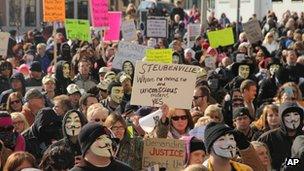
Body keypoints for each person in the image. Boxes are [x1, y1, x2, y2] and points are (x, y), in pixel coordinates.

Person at [258, 102, 304, 170]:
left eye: (296, 114)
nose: (293, 119)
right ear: (281, 118)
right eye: (287, 115)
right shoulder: (267, 138)